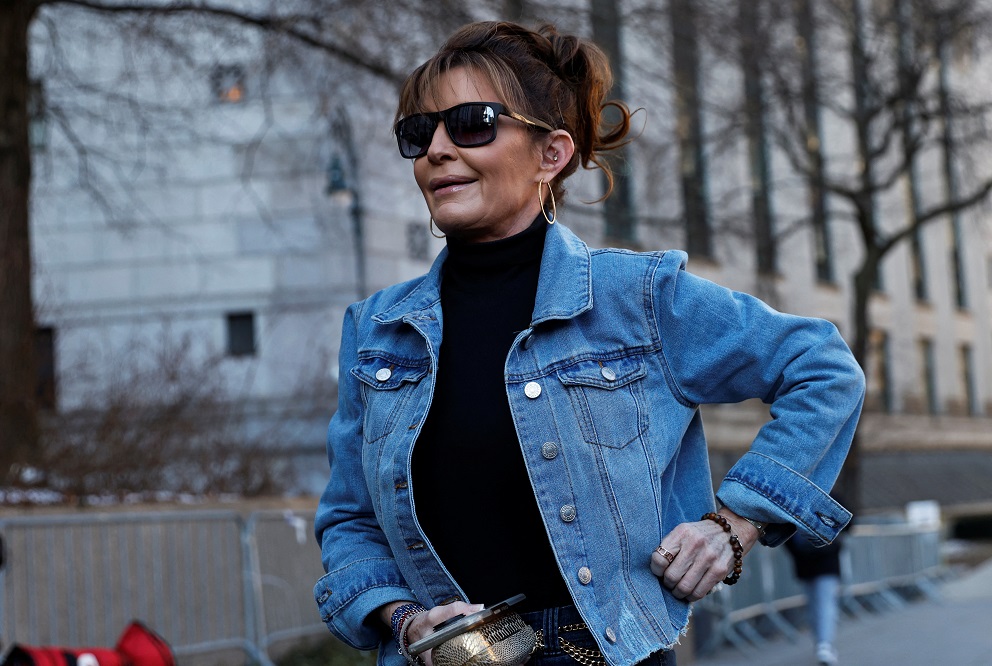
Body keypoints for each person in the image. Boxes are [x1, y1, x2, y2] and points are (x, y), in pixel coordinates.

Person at [314, 20, 865, 666]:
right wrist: (406, 620)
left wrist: (734, 525)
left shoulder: (639, 298)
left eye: (472, 123)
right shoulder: (377, 330)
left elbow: (824, 368)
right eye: (419, 131)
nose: (436, 148)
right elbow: (350, 520)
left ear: (551, 154)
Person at [784, 497, 851, 666]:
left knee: (820, 604)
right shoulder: (826, 496)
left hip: (813, 562)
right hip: (816, 562)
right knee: (820, 604)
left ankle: (823, 644)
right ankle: (823, 644)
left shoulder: (796, 497)